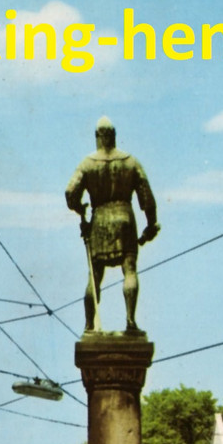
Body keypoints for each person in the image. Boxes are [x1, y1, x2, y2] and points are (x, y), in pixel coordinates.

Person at [65, 117, 159, 332]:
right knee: (130, 271)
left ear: (97, 137)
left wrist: (80, 208)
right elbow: (147, 198)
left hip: (99, 220)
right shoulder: (130, 162)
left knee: (95, 276)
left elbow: (70, 192)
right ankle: (130, 321)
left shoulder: (87, 164)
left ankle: (89, 325)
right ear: (114, 136)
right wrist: (151, 224)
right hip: (125, 218)